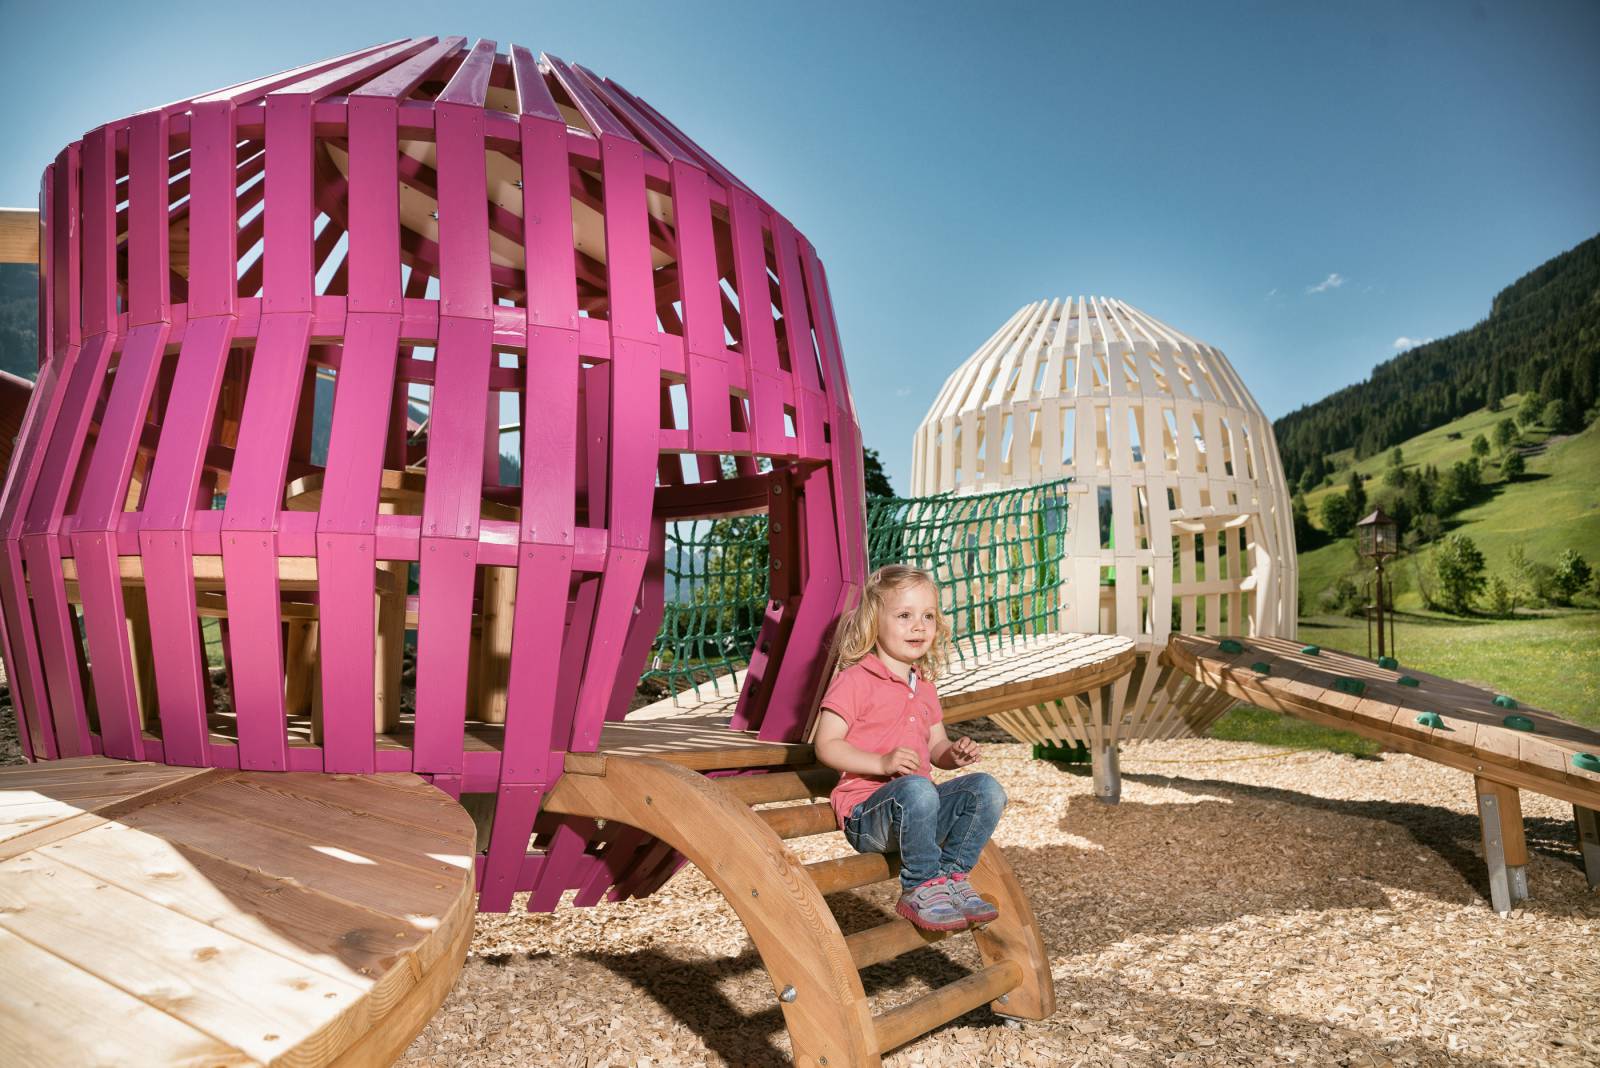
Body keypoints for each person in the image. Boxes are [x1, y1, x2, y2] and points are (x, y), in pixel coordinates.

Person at [812, 564, 1008, 931]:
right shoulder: (854, 681)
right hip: (870, 815)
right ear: (874, 621)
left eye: (928, 616)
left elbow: (937, 748)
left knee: (986, 789)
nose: (919, 626)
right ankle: (919, 886)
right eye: (904, 615)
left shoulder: (924, 686)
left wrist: (955, 754)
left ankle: (950, 879)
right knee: (918, 789)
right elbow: (826, 745)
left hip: (920, 810)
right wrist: (881, 762)